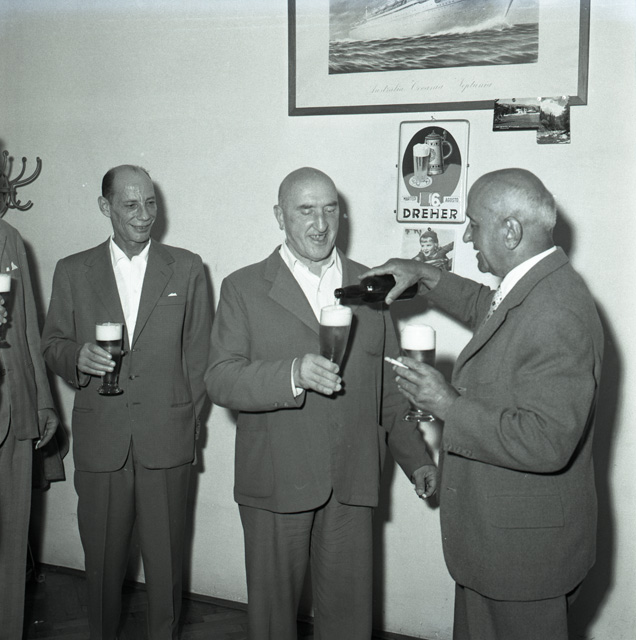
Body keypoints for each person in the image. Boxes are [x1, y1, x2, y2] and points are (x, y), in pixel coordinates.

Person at [363, 168, 604, 640]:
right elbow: (489, 308)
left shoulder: (557, 312)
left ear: (510, 231)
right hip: (501, 547)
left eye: (474, 224)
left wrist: (448, 404)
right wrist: (426, 274)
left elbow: (547, 441)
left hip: (523, 561)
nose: (467, 236)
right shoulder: (538, 286)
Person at [205, 167, 437, 640]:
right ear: (280, 216)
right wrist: (291, 374)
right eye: (305, 210)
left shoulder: (373, 287)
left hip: (351, 480)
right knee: (272, 623)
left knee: (349, 622)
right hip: (275, 481)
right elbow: (220, 380)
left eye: (330, 209)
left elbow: (388, 389)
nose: (320, 224)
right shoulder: (242, 287)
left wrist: (417, 460)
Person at [41, 165, 211, 640]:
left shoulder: (187, 267)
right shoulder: (73, 270)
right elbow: (51, 343)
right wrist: (77, 356)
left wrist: (184, 420)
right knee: (101, 566)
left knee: (166, 565)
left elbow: (200, 357)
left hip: (167, 441)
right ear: (105, 207)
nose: (144, 214)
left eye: (151, 203)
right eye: (131, 204)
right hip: (102, 440)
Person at [0, 217, 59, 640]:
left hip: (15, 409)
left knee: (10, 550)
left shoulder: (8, 236)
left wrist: (42, 400)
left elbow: (25, 326)